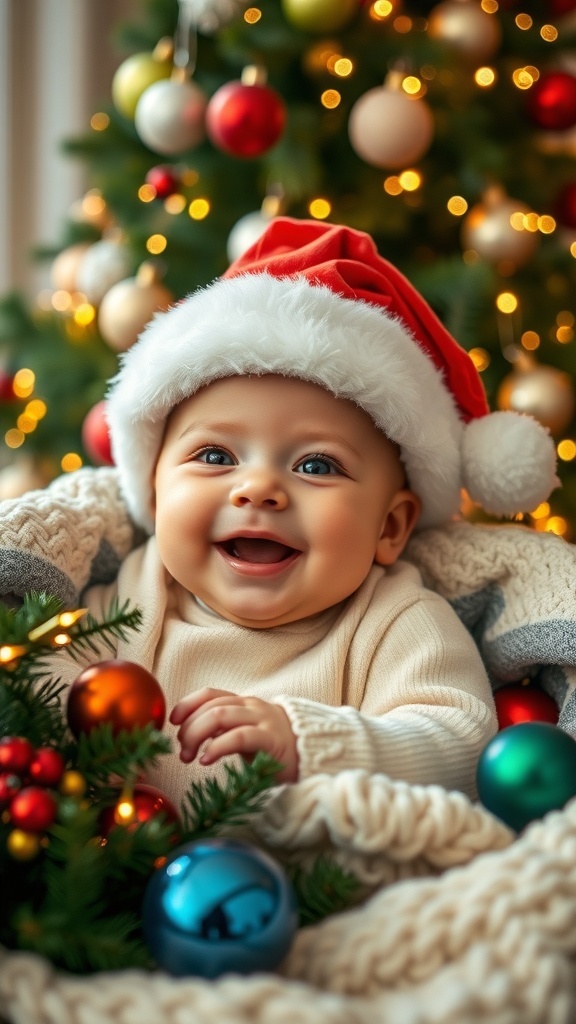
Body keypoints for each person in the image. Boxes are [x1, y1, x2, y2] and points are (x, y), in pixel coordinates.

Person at [53, 217, 558, 808]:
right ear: (156, 494)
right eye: (215, 455)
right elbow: (46, 680)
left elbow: (458, 743)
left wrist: (311, 742)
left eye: (317, 466)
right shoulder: (136, 592)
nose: (260, 488)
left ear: (390, 527)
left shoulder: (395, 620)